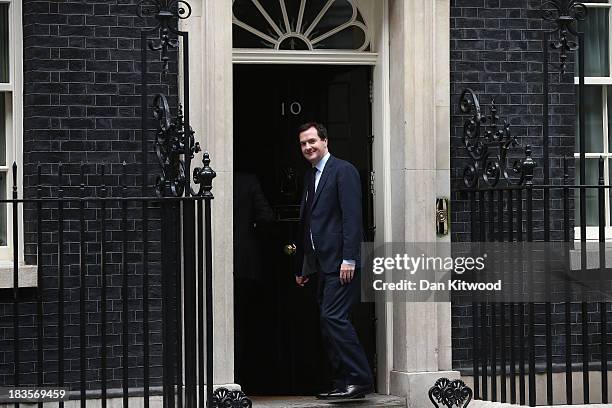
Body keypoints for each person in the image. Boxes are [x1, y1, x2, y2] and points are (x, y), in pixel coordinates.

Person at [295, 122, 373, 400]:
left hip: (342, 264)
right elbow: (308, 224)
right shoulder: (310, 177)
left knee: (333, 318)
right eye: (303, 143)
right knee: (329, 324)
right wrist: (303, 266)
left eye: (312, 141)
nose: (308, 147)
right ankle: (342, 382)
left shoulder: (344, 171)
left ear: (325, 141)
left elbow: (352, 218)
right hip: (321, 265)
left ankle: (359, 380)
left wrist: (350, 258)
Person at [233, 171, 274, 388]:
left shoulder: (200, 177)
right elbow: (266, 216)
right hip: (245, 262)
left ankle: (225, 377)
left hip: (220, 258)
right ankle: (238, 377)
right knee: (241, 322)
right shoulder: (248, 180)